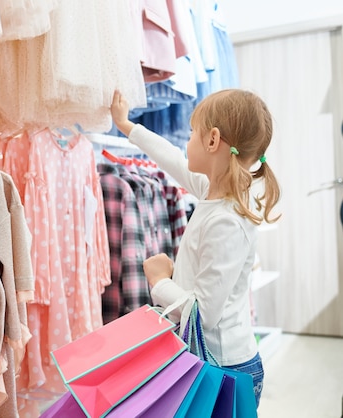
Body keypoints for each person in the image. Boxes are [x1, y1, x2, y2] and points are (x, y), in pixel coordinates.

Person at [110, 88, 281, 407]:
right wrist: (128, 127)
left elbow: (203, 316)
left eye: (191, 134)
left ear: (213, 140)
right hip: (214, 360)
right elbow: (172, 158)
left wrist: (160, 282)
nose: (185, 142)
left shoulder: (226, 220)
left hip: (224, 367)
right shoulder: (212, 192)